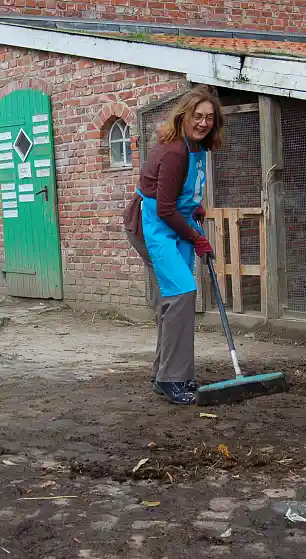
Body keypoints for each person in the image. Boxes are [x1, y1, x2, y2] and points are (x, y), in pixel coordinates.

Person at [123, 85, 225, 405]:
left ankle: (163, 372)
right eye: (197, 116)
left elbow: (180, 197)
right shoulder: (173, 152)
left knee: (174, 298)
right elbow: (164, 207)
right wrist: (198, 238)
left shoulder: (197, 148)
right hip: (152, 225)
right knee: (182, 292)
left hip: (174, 224)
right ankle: (173, 378)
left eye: (209, 117)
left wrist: (194, 207)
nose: (203, 122)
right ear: (184, 116)